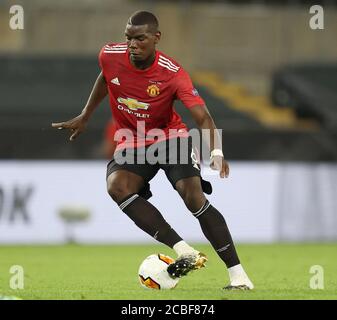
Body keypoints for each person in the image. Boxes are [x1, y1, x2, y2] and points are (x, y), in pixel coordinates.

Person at [52, 11, 253, 290]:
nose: (133, 44)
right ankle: (183, 250)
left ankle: (238, 276)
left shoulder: (173, 73)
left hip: (170, 137)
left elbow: (203, 116)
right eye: (129, 38)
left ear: (156, 38)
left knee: (192, 195)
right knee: (117, 186)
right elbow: (106, 77)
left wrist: (216, 153)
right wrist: (86, 114)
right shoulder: (110, 55)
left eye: (140, 38)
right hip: (133, 141)